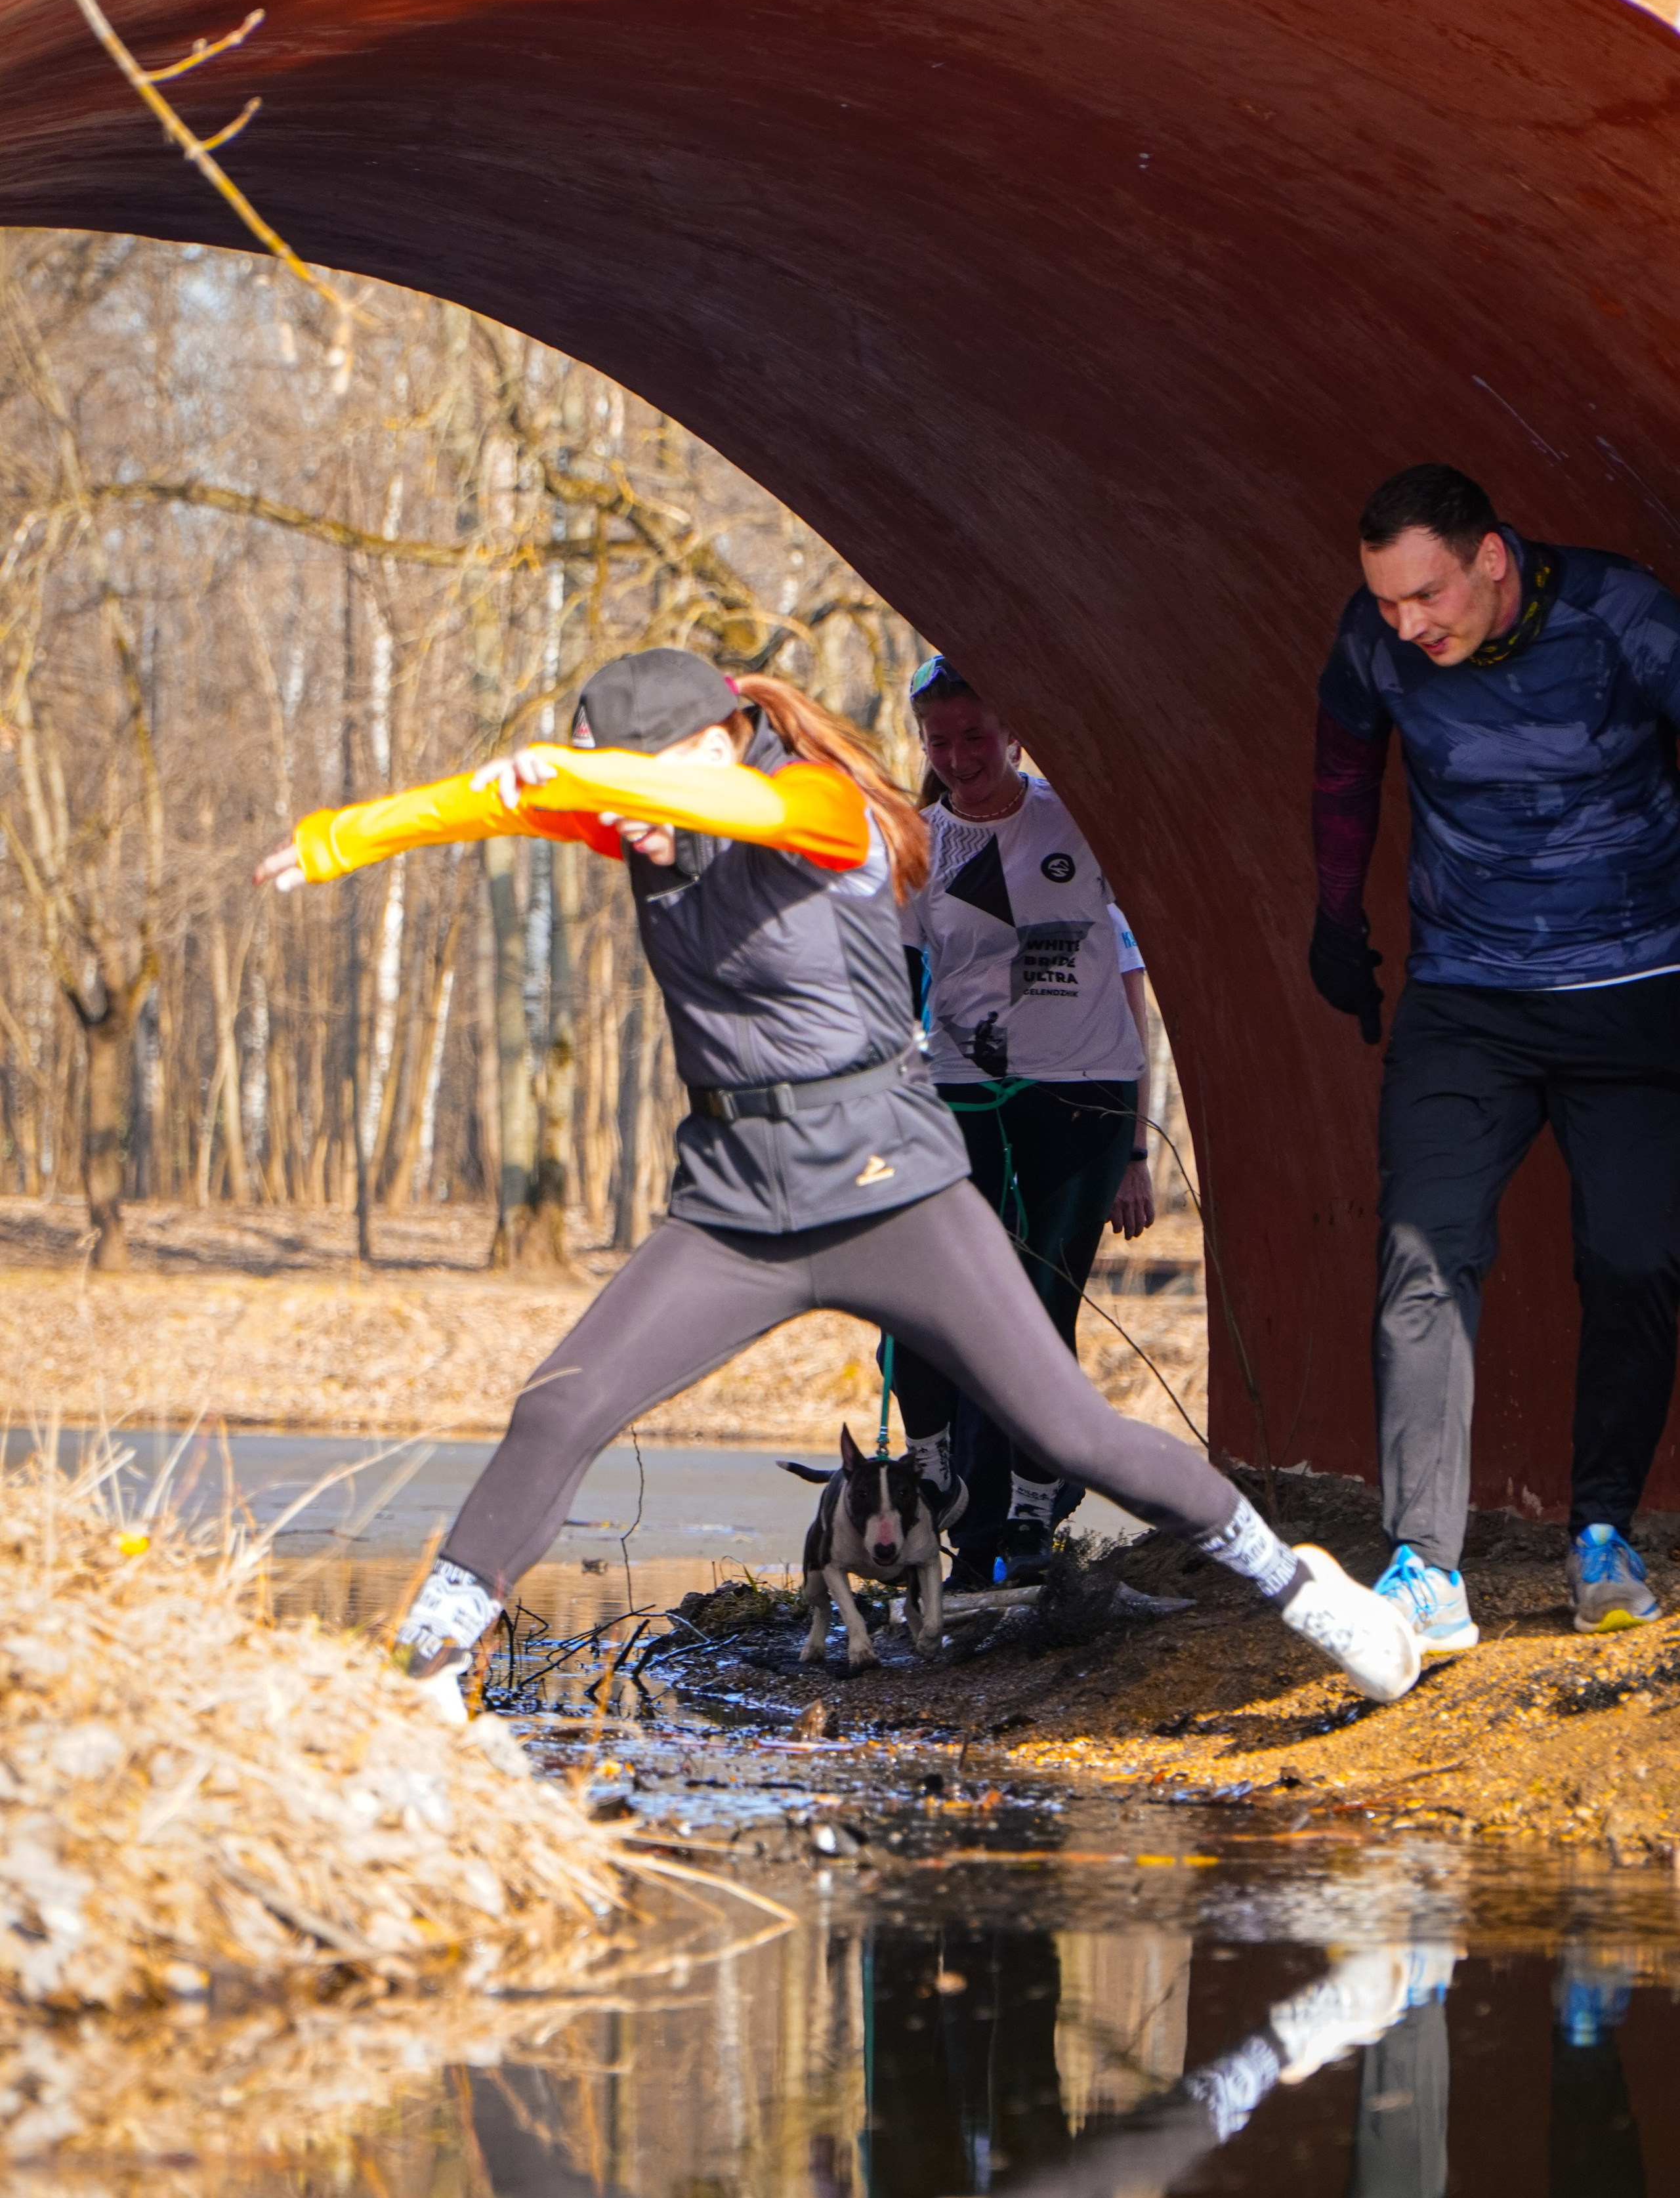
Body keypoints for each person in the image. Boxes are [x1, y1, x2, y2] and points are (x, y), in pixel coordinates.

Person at [257, 646, 1420, 1716]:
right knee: (558, 1407)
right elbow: (498, 801)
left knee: (1070, 1434)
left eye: (637, 789)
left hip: (892, 1194)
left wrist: (573, 776)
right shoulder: (654, 822)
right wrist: (344, 839)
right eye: (612, 799)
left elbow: (709, 805)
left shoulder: (820, 804)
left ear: (713, 747)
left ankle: (1305, 1591)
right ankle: (425, 1673)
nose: (622, 825)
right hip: (734, 1208)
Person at [1311, 463, 1680, 1652]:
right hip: (1467, 998)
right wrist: (1336, 921)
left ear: (1492, 558)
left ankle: (1603, 1534)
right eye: (1387, 602)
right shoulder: (1378, 643)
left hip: (1635, 995)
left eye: (1427, 595)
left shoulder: (1624, 617)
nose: (1408, 625)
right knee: (1424, 1251)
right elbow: (1344, 768)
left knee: (1635, 1259)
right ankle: (1424, 1568)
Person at [891, 654, 1156, 1586]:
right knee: (935, 1296)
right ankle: (935, 1476)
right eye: (940, 741)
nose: (960, 757)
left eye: (976, 736)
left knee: (1046, 1301)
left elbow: (1143, 965)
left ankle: (1034, 1511)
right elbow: (895, 979)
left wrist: (1136, 1147)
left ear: (1013, 733)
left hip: (1083, 1090)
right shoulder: (918, 843)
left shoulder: (1075, 816)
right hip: (960, 1086)